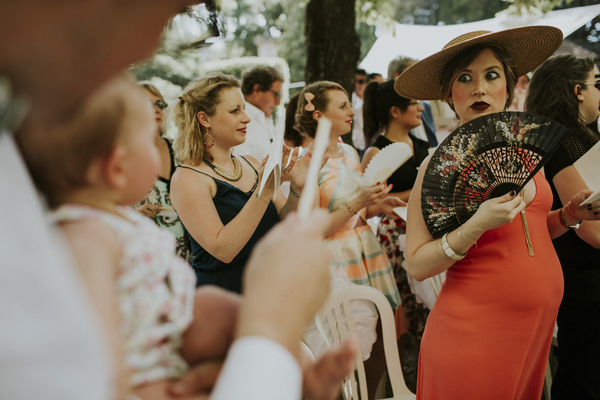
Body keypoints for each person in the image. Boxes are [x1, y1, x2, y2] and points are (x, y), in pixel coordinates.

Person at [3, 1, 354, 399]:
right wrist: (270, 320)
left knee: (223, 314)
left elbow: (278, 219)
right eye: (148, 145)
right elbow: (100, 362)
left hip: (183, 320)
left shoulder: (244, 167)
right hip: (149, 363)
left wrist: (301, 186)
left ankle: (292, 381)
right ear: (117, 166)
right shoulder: (91, 232)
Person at [395, 27, 600, 399]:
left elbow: (530, 229)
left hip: (533, 330)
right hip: (474, 333)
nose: (480, 88)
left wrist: (568, 216)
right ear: (448, 95)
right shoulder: (436, 168)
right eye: (464, 78)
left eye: (492, 75)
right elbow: (417, 264)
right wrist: (476, 225)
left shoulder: (526, 155)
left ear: (509, 85)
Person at [295, 81, 404, 400]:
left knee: (386, 339)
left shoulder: (351, 152)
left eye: (349, 104)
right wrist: (358, 202)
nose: (351, 110)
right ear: (318, 114)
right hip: (335, 260)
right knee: (346, 349)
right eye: (342, 105)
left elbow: (358, 208)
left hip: (367, 250)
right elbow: (312, 228)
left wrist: (379, 205)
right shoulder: (306, 162)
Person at [170, 73, 306, 294]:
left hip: (270, 284)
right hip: (227, 294)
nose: (247, 118)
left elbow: (287, 222)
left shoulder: (251, 164)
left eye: (243, 108)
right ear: (205, 119)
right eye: (235, 111)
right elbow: (223, 249)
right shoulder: (187, 178)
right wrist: (264, 192)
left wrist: (298, 189)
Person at [525, 54, 600, 400]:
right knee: (583, 377)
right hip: (585, 279)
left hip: (583, 275)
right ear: (577, 91)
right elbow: (592, 230)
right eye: (597, 82)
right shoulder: (565, 142)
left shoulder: (576, 137)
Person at [361, 79, 431, 351]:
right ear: (395, 111)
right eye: (414, 104)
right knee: (410, 303)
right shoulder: (375, 151)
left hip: (428, 229)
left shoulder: (423, 145)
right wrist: (414, 192)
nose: (420, 109)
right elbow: (367, 206)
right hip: (395, 234)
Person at [135, 82, 192, 262]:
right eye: (147, 104)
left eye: (160, 104)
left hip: (193, 256)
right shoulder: (125, 156)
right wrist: (136, 214)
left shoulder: (180, 150)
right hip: (151, 257)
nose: (157, 109)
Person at [233, 65, 283, 160]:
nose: (278, 102)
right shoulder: (238, 119)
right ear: (257, 89)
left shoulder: (265, 117)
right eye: (276, 94)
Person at [387, 55, 438, 147]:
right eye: (415, 74)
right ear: (397, 76)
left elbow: (432, 139)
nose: (421, 78)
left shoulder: (425, 106)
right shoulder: (386, 109)